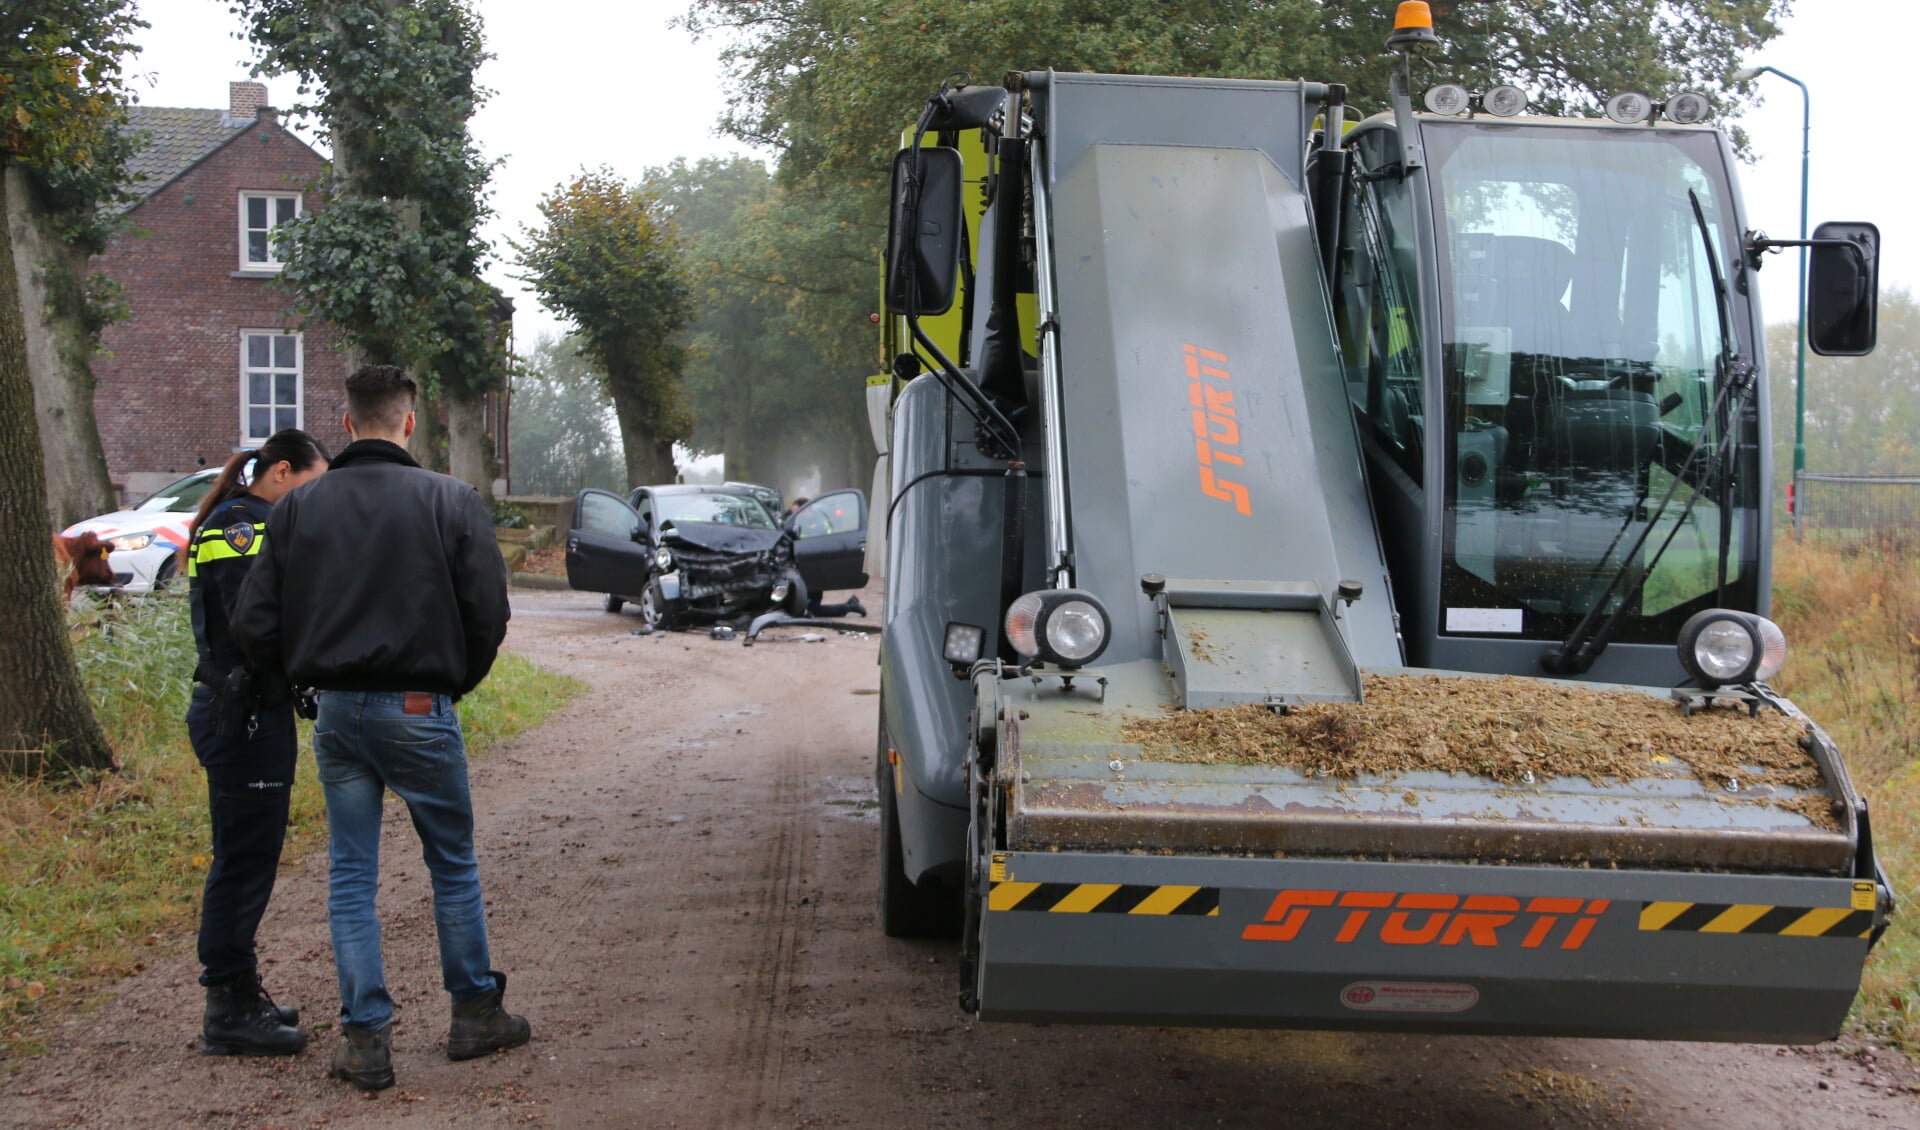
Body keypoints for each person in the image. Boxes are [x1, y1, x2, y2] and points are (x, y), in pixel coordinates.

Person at [232, 365, 523, 1092]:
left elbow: (253, 621)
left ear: (348, 420)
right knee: (451, 864)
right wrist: (451, 683)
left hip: (336, 709)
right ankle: (473, 1013)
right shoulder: (450, 500)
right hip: (421, 707)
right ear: (409, 423)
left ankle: (365, 1039)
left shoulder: (298, 509)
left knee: (351, 876)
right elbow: (489, 612)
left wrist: (303, 679)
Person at [184, 429, 330, 1056]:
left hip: (250, 710)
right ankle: (229, 1007)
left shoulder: (253, 518)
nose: (315, 500)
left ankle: (239, 990)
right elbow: (252, 622)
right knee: (242, 862)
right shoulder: (244, 524)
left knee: (249, 855)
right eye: (311, 486)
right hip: (240, 714)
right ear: (282, 472)